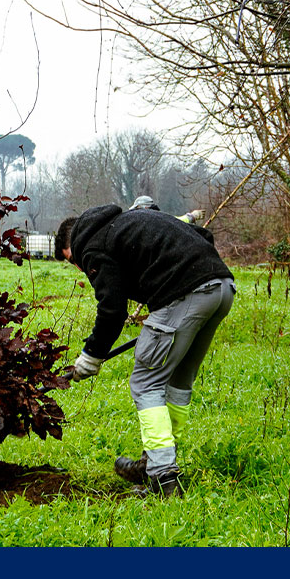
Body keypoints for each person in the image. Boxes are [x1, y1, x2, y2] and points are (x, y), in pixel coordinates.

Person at [57, 204, 235, 497]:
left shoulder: (90, 244)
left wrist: (90, 357)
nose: (79, 266)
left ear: (71, 244)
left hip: (185, 292)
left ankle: (163, 478)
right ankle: (157, 461)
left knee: (145, 382)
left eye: (71, 260)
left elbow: (112, 309)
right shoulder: (130, 221)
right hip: (222, 287)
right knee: (178, 381)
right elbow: (202, 234)